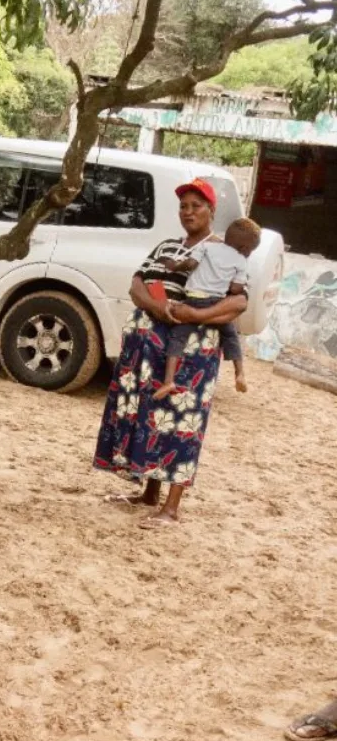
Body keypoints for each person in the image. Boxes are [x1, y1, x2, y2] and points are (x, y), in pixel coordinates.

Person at [93, 178, 247, 528]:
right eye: (183, 206)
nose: (188, 212)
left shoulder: (223, 252)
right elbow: (136, 283)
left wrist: (196, 315)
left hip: (193, 350)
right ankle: (149, 493)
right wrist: (155, 307)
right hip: (149, 348)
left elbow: (238, 300)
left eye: (196, 206)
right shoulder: (167, 245)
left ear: (212, 211)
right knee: (153, 417)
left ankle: (172, 508)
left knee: (182, 424)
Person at [154, 216, 261, 399]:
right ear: (244, 248)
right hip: (216, 303)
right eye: (251, 250)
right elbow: (236, 289)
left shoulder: (207, 246)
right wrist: (233, 284)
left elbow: (190, 264)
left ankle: (169, 380)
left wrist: (175, 266)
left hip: (193, 300)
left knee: (178, 337)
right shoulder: (241, 261)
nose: (249, 254)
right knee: (231, 335)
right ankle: (239, 373)